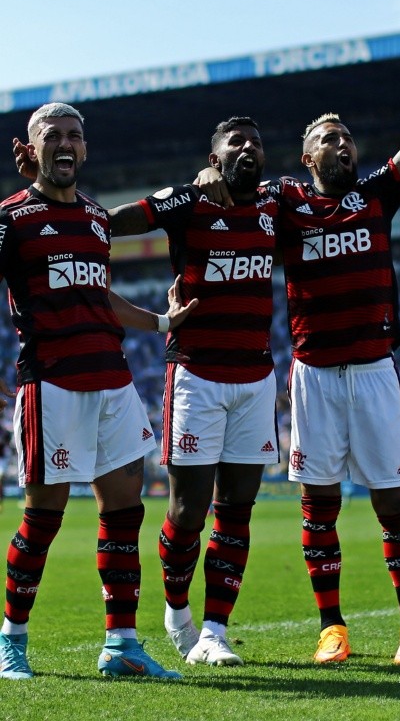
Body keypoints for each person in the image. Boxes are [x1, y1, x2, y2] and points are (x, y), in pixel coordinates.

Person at [198, 27, 400, 665]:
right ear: (308, 157)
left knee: (394, 502)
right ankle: (331, 627)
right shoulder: (285, 201)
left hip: (373, 370)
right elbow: (229, 188)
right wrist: (206, 173)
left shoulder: (375, 196)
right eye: (328, 139)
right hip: (311, 373)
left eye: (347, 138)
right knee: (320, 503)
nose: (343, 145)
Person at [0, 102, 196, 681]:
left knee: (125, 514)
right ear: (31, 149)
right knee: (45, 517)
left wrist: (162, 323)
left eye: (74, 136)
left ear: (85, 150)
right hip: (52, 384)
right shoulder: (11, 219)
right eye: (52, 136)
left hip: (112, 381)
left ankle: (122, 645)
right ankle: (12, 640)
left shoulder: (94, 219)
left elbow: (100, 296)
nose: (65, 144)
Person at [102, 117, 280, 667]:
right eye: (235, 143)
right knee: (188, 509)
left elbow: (328, 194)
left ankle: (214, 630)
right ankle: (176, 610)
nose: (248, 147)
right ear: (215, 155)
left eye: (255, 140)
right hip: (197, 375)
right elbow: (111, 223)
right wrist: (193, 179)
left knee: (238, 508)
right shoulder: (187, 201)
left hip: (256, 376)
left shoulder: (279, 203)